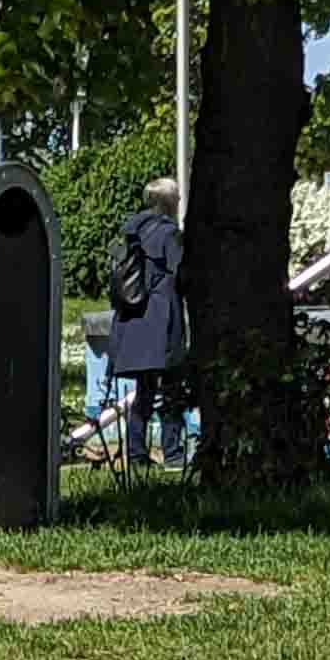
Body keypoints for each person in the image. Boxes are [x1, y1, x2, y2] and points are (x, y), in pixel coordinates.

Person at [107, 177, 187, 470]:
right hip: (163, 319)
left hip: (133, 320)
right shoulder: (170, 235)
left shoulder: (130, 232)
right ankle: (174, 454)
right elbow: (183, 275)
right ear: (169, 203)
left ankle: (137, 454)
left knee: (143, 393)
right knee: (172, 390)